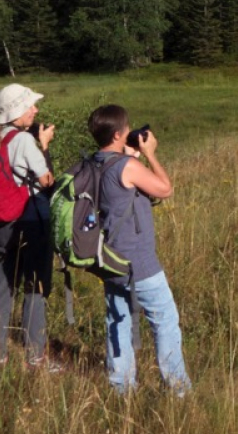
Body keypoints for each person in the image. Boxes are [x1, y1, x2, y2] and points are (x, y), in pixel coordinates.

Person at [86, 103, 190, 395]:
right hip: (138, 260)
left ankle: (121, 387)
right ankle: (178, 388)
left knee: (117, 320)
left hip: (108, 257)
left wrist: (129, 155)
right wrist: (150, 154)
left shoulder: (94, 163)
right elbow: (165, 189)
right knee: (165, 319)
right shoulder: (127, 166)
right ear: (119, 133)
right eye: (127, 129)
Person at [0, 83, 58, 369]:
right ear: (18, 111)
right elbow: (46, 181)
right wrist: (43, 146)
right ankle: (35, 356)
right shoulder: (21, 141)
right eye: (30, 106)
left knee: (5, 285)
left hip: (5, 222)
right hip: (29, 219)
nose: (35, 110)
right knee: (35, 286)